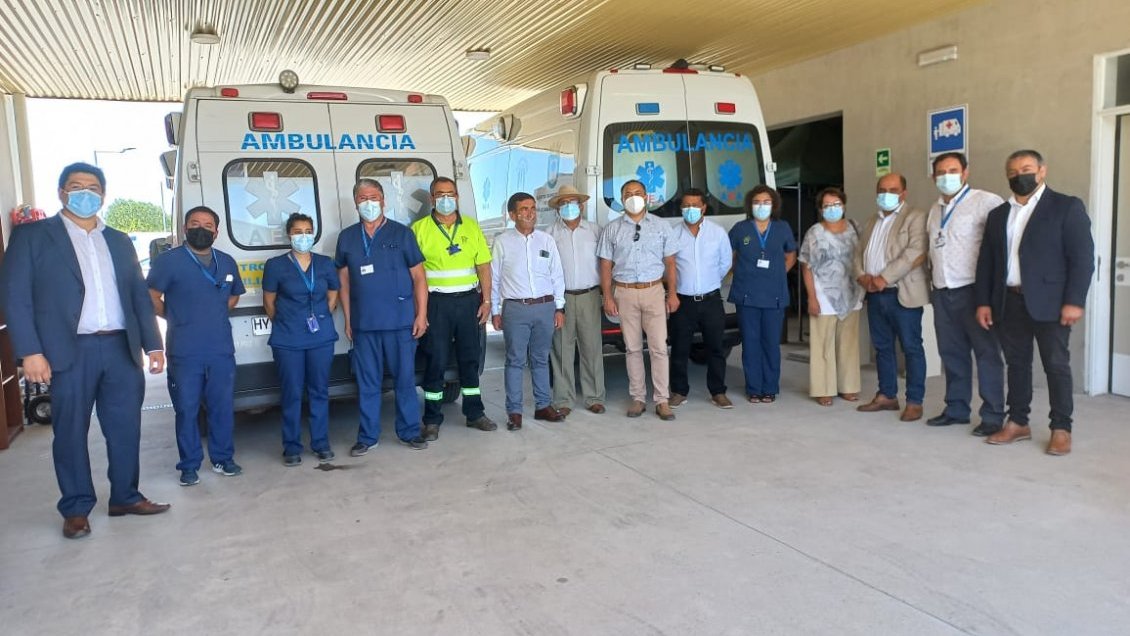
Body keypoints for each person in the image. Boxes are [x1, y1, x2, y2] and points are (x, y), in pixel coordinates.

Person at [1, 162, 169, 539]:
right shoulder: (33, 237)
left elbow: (137, 295)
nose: (85, 193)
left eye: (93, 187)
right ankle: (76, 508)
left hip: (120, 347)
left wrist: (153, 343)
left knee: (125, 428)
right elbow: (15, 297)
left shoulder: (119, 240)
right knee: (70, 431)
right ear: (61, 192)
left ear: (103, 195)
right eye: (76, 186)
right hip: (67, 350)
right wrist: (30, 352)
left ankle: (125, 496)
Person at [975, 150, 1095, 455]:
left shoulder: (1066, 207)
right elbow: (987, 262)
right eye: (1013, 172)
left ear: (1042, 171)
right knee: (1017, 365)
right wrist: (984, 301)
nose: (1020, 176)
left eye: (1027, 169)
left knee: (1056, 365)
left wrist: (1074, 300)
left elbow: (1082, 259)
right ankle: (1018, 422)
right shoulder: (999, 215)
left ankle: (1061, 428)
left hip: (1051, 303)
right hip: (1009, 301)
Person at [148, 205, 245, 485]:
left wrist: (214, 313)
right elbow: (151, 295)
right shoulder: (169, 262)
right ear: (184, 229)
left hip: (220, 349)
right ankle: (189, 465)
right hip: (184, 350)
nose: (201, 229)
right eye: (194, 224)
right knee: (187, 409)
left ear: (216, 231)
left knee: (222, 408)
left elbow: (234, 296)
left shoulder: (226, 262)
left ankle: (223, 459)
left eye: (207, 225)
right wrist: (173, 315)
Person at [337, 179, 430, 455]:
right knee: (367, 383)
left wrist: (421, 315)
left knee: (404, 380)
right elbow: (344, 281)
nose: (369, 203)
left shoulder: (402, 234)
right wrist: (348, 319)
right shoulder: (347, 237)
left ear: (383, 201)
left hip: (400, 321)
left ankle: (410, 431)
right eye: (363, 198)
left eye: (374, 197)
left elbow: (419, 277)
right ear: (356, 203)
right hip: (364, 324)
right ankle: (367, 437)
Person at [926, 152, 1006, 435]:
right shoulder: (934, 210)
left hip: (974, 292)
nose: (946, 176)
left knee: (987, 354)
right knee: (952, 354)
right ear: (933, 176)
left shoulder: (986, 201)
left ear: (965, 172)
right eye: (941, 172)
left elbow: (1001, 248)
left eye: (952, 170)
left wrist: (990, 295)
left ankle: (993, 415)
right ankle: (956, 409)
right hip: (942, 291)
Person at [411, 177, 496, 439]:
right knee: (435, 359)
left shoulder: (471, 226)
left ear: (457, 197)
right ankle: (432, 419)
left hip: (469, 301)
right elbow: (414, 274)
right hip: (437, 304)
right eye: (440, 194)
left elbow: (483, 266)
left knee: (470, 358)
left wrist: (487, 301)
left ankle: (475, 413)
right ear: (432, 198)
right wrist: (420, 311)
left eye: (450, 194)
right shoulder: (419, 229)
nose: (445, 199)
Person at [597, 180, 679, 420]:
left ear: (646, 197)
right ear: (622, 200)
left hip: (654, 290)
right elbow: (605, 265)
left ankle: (662, 400)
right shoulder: (612, 229)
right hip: (624, 292)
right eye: (628, 194)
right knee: (632, 348)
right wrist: (607, 296)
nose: (633, 197)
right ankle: (638, 398)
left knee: (659, 348)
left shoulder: (661, 226)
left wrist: (672, 293)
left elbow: (670, 263)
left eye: (638, 193)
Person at [263, 213, 341, 465]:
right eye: (298, 232)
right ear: (289, 235)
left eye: (308, 231)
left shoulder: (325, 263)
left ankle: (321, 443)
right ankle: (291, 447)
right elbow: (269, 302)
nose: (303, 236)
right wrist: (287, 321)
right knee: (292, 393)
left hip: (320, 338)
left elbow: (333, 292)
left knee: (319, 391)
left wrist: (323, 313)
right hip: (288, 339)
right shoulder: (275, 265)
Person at [852, 173, 929, 422]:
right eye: (882, 190)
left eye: (893, 190)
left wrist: (884, 277)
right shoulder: (872, 220)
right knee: (883, 347)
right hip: (875, 294)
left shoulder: (915, 216)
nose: (887, 194)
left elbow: (916, 252)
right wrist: (862, 276)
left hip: (902, 293)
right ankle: (887, 395)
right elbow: (858, 252)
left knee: (911, 347)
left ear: (903, 193)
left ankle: (915, 401)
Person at [491, 192, 567, 430]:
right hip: (516, 309)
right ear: (512, 214)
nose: (530, 213)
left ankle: (543, 406)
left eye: (533, 208)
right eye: (524, 209)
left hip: (545, 307)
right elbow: (494, 278)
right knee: (515, 360)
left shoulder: (546, 240)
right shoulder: (503, 242)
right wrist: (495, 310)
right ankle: (514, 412)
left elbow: (557, 275)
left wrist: (559, 307)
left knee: (541, 359)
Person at [729, 185, 797, 404]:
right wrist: (743, 273)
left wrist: (777, 273)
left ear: (773, 204)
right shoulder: (740, 228)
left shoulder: (782, 227)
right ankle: (753, 388)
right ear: (750, 205)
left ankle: (769, 387)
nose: (761, 206)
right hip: (747, 296)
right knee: (750, 344)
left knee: (770, 344)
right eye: (757, 202)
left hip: (774, 295)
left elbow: (791, 255)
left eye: (766, 202)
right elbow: (730, 256)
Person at [668, 188, 734, 409]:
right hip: (683, 301)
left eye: (695, 205)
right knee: (679, 348)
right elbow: (669, 266)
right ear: (681, 208)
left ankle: (718, 391)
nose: (691, 210)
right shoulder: (673, 234)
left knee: (716, 348)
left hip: (711, 300)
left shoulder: (717, 233)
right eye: (686, 206)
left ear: (704, 207)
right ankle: (679, 391)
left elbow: (725, 263)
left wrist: (709, 282)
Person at [799, 187, 864, 406]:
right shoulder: (814, 233)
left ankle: (848, 387)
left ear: (843, 205)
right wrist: (812, 297)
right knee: (822, 344)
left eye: (836, 204)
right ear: (820, 209)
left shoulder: (855, 228)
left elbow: (863, 258)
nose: (832, 209)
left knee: (848, 344)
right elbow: (806, 266)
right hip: (823, 294)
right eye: (827, 205)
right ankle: (823, 389)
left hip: (851, 293)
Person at [548, 185, 606, 415]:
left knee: (591, 348)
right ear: (557, 208)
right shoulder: (550, 234)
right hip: (561, 299)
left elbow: (605, 263)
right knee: (562, 349)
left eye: (573, 202)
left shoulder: (595, 230)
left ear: (581, 206)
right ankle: (563, 400)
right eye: (564, 203)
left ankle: (594, 397)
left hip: (589, 295)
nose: (568, 207)